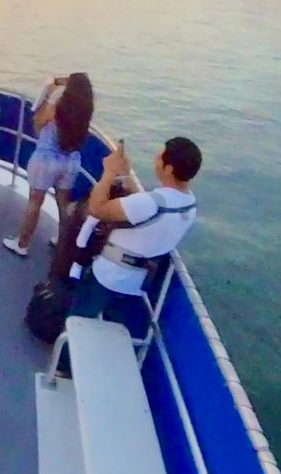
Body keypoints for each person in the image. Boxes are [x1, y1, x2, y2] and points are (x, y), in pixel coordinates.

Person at [65, 137, 202, 338]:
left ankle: (61, 367)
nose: (155, 161)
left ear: (169, 169)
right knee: (113, 331)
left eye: (159, 157)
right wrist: (127, 175)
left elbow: (97, 208)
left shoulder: (150, 203)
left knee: (77, 323)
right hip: (136, 282)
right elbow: (149, 212)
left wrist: (109, 173)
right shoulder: (189, 205)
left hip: (108, 274)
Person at [5, 74, 93, 257]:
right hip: (71, 161)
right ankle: (63, 242)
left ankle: (22, 243)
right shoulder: (84, 111)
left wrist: (49, 96)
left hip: (46, 160)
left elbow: (37, 122)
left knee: (35, 203)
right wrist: (62, 81)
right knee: (63, 204)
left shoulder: (57, 106)